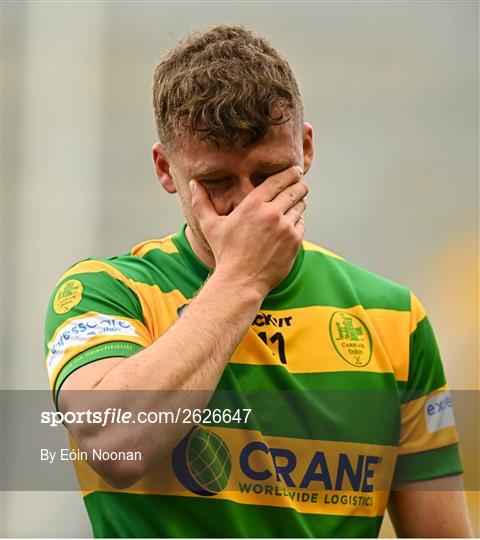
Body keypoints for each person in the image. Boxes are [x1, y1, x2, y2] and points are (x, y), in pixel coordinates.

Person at [44, 25, 472, 538]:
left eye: (271, 174)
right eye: (218, 183)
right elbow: (113, 445)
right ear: (165, 169)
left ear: (306, 149)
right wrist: (243, 276)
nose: (252, 206)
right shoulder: (105, 292)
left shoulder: (393, 318)